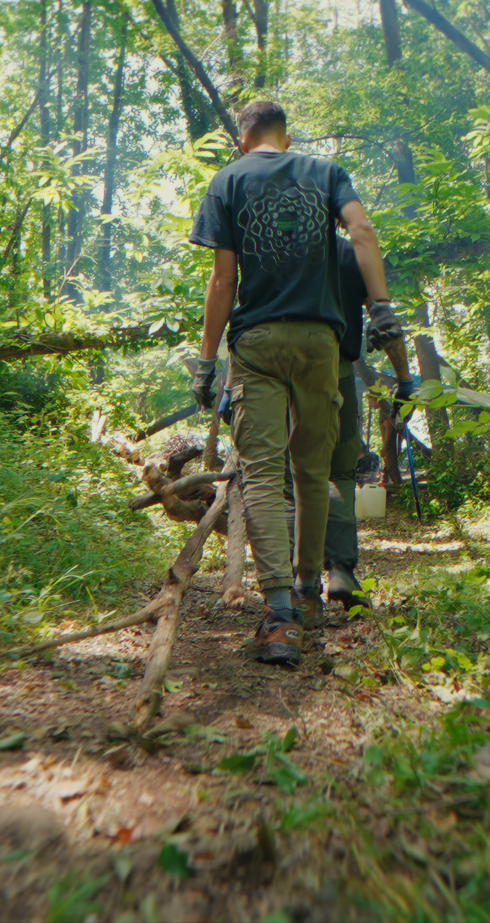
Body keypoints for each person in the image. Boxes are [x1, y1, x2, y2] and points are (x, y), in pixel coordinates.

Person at [186, 101, 404, 666]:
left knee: (261, 474)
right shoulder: (326, 173)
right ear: (286, 136)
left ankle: (279, 614)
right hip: (321, 343)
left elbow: (223, 278)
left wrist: (207, 362)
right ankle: (311, 597)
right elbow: (361, 229)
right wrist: (381, 308)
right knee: (313, 474)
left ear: (242, 139)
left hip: (257, 343)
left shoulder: (228, 180)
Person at [308, 235, 417, 624]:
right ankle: (341, 568)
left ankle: (297, 587)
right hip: (333, 369)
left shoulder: (268, 245)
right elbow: (384, 324)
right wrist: (405, 380)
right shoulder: (349, 251)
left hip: (273, 376)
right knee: (338, 473)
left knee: (288, 477)